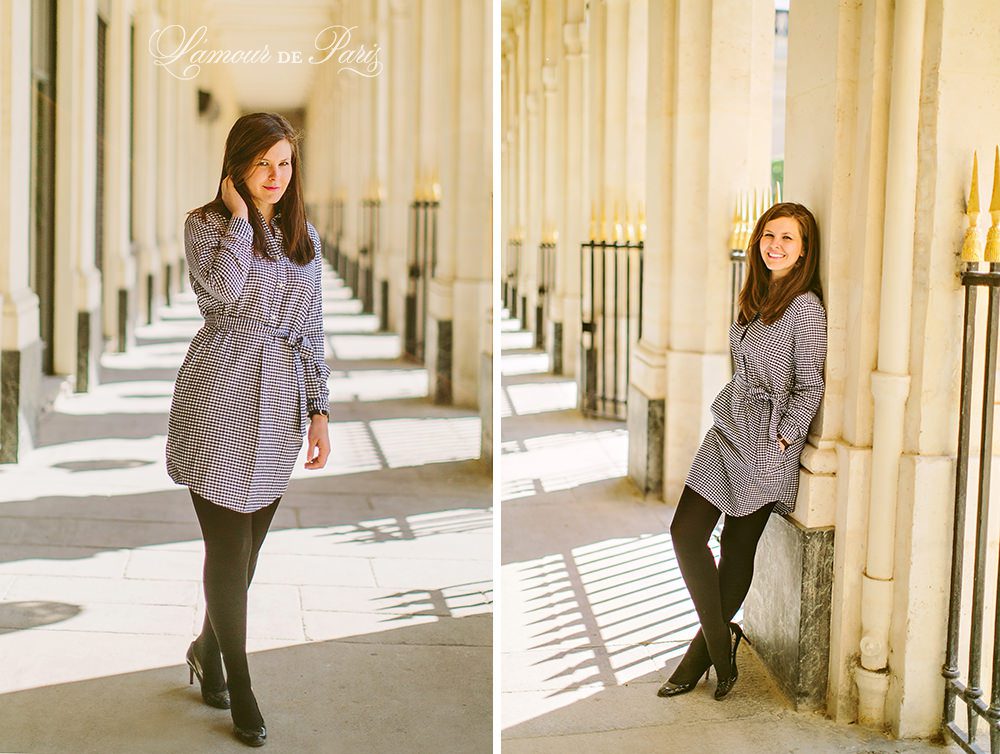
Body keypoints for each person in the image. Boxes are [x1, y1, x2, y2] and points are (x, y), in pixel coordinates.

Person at [165, 112, 332, 746]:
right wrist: (238, 220)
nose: (274, 176)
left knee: (249, 554)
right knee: (227, 553)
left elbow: (311, 328)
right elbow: (230, 293)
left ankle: (207, 647)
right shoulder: (206, 225)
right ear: (236, 165)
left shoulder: (304, 237)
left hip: (278, 412)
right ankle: (240, 682)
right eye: (262, 163)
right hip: (217, 398)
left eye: (284, 163)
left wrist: (318, 409)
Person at [658, 201, 827, 701]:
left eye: (787, 238)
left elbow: (810, 384)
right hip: (729, 428)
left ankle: (697, 659)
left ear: (804, 250)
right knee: (686, 533)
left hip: (768, 443)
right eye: (768, 235)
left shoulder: (806, 307)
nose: (774, 245)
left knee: (736, 549)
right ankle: (719, 641)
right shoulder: (754, 295)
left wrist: (785, 437)